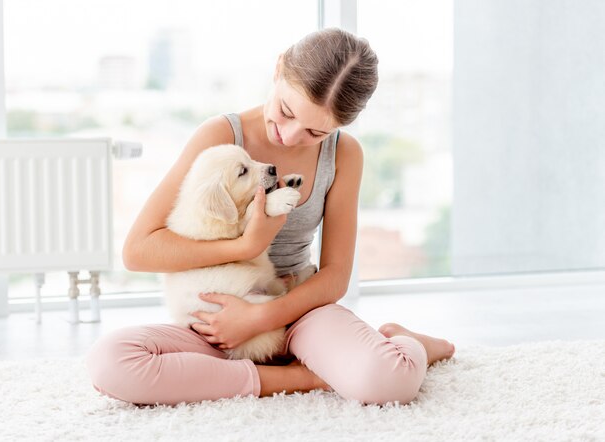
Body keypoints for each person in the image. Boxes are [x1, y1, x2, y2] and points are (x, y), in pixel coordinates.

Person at [86, 28, 455, 407]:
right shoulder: (220, 137)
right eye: (286, 111)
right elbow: (139, 250)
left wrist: (260, 319)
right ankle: (303, 377)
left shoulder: (344, 154)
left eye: (314, 131)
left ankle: (411, 343)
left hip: (297, 311)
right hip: (217, 325)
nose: (290, 136)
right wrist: (247, 246)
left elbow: (336, 275)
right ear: (279, 68)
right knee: (109, 363)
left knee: (389, 383)